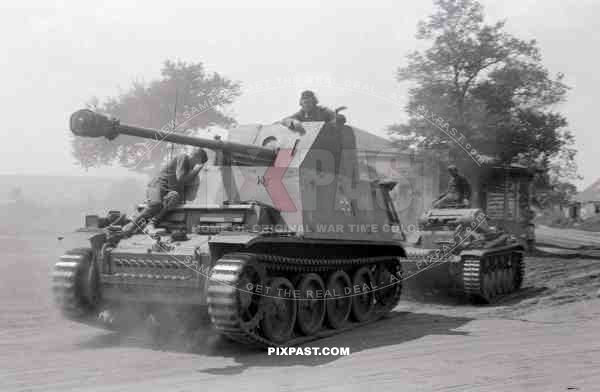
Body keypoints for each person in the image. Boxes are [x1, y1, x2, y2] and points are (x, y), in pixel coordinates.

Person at [122, 147, 208, 235]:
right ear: (197, 158)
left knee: (174, 198)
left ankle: (151, 224)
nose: (194, 164)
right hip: (158, 184)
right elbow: (181, 178)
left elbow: (189, 196)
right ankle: (132, 225)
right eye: (197, 161)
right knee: (156, 204)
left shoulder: (190, 171)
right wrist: (196, 170)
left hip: (169, 190)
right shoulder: (183, 157)